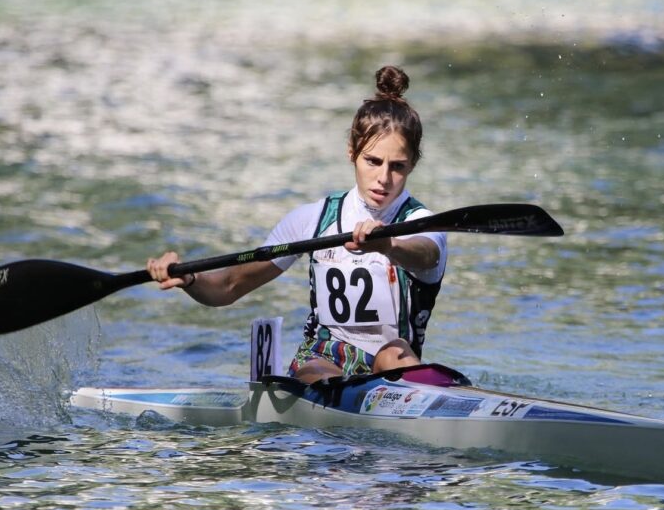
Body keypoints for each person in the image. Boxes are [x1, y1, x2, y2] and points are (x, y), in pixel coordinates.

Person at [146, 65, 447, 384]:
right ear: (351, 153)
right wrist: (191, 278)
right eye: (372, 161)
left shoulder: (422, 224)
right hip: (324, 359)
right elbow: (229, 287)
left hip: (393, 366)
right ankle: (331, 401)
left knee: (392, 351)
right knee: (317, 369)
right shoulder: (313, 219)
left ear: (413, 164)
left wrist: (388, 246)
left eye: (397, 166)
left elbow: (425, 255)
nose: (383, 178)